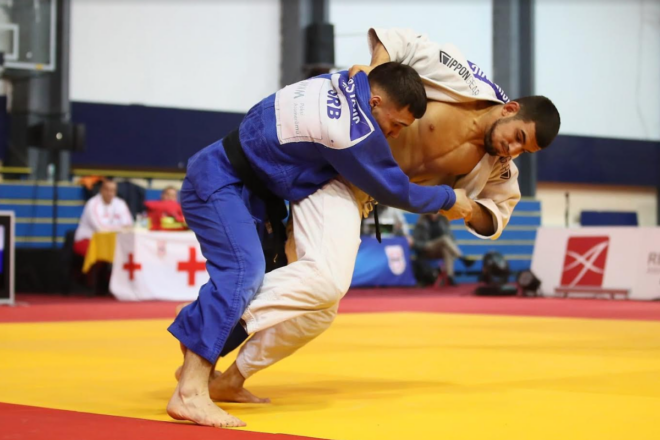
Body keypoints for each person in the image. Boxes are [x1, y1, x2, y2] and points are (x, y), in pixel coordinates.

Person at [196, 27, 561, 406]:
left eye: (524, 150)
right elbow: (402, 41)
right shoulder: (465, 81)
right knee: (325, 279)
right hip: (337, 165)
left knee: (319, 308)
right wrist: (375, 70)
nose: (512, 149)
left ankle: (230, 377)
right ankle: (206, 326)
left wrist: (470, 210)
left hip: (360, 194)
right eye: (518, 137)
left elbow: (497, 216)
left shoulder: (500, 167)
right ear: (510, 109)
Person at [167, 62, 472, 428]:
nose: (393, 134)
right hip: (220, 180)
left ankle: (214, 361)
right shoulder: (353, 130)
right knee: (244, 273)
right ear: (375, 102)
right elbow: (395, 189)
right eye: (396, 124)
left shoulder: (344, 78)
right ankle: (190, 389)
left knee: (300, 294)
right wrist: (448, 198)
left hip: (253, 192)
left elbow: (361, 72)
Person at [73, 179, 133, 256]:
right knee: (109, 252)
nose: (110, 193)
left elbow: (129, 225)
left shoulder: (120, 203)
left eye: (112, 190)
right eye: (107, 190)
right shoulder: (92, 204)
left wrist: (121, 229)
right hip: (88, 239)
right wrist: (121, 229)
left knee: (129, 250)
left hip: (112, 241)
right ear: (101, 190)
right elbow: (100, 228)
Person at [412, 213, 471, 286]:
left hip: (438, 250)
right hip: (427, 249)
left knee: (446, 250)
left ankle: (450, 277)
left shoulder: (443, 222)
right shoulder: (421, 224)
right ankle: (461, 257)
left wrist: (451, 246)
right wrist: (424, 245)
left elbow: (451, 238)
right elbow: (414, 242)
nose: (434, 213)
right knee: (444, 239)